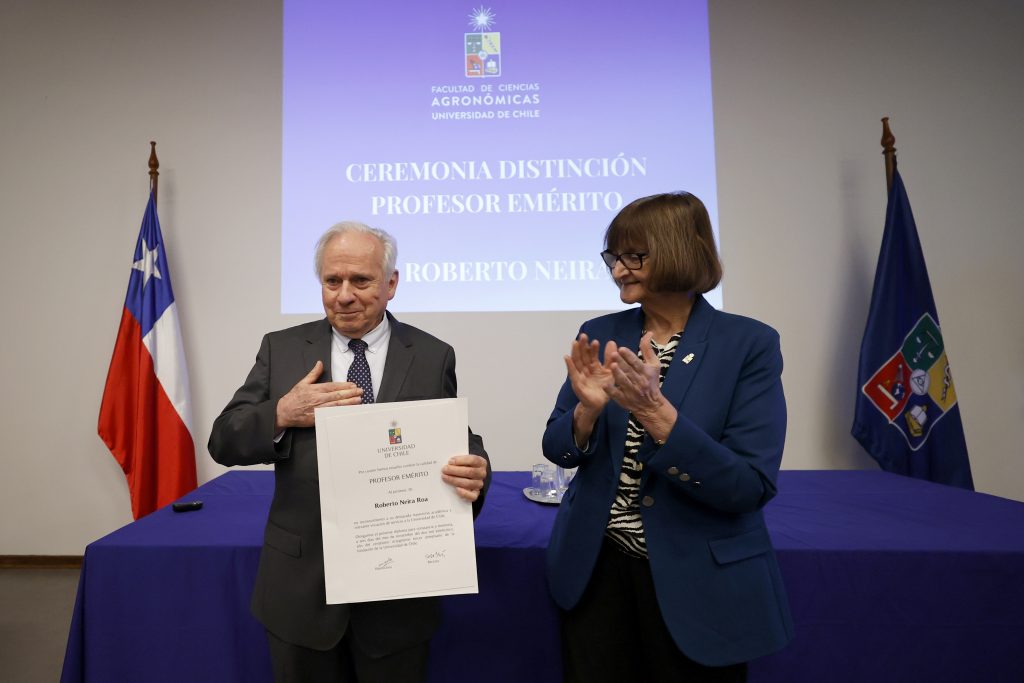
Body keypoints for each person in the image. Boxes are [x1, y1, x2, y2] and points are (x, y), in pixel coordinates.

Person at [209, 221, 490, 683]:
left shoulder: (432, 354)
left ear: (391, 284)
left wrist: (478, 469)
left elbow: (458, 438)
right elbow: (223, 439)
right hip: (302, 591)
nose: (344, 296)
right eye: (332, 281)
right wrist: (281, 412)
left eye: (360, 281)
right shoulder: (282, 349)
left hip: (397, 595)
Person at [542, 192, 793, 682]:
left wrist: (656, 414)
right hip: (596, 574)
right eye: (614, 257)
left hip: (698, 583)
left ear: (679, 250)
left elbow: (748, 486)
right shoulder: (601, 331)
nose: (618, 270)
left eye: (633, 256)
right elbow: (557, 447)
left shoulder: (749, 344)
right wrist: (587, 412)